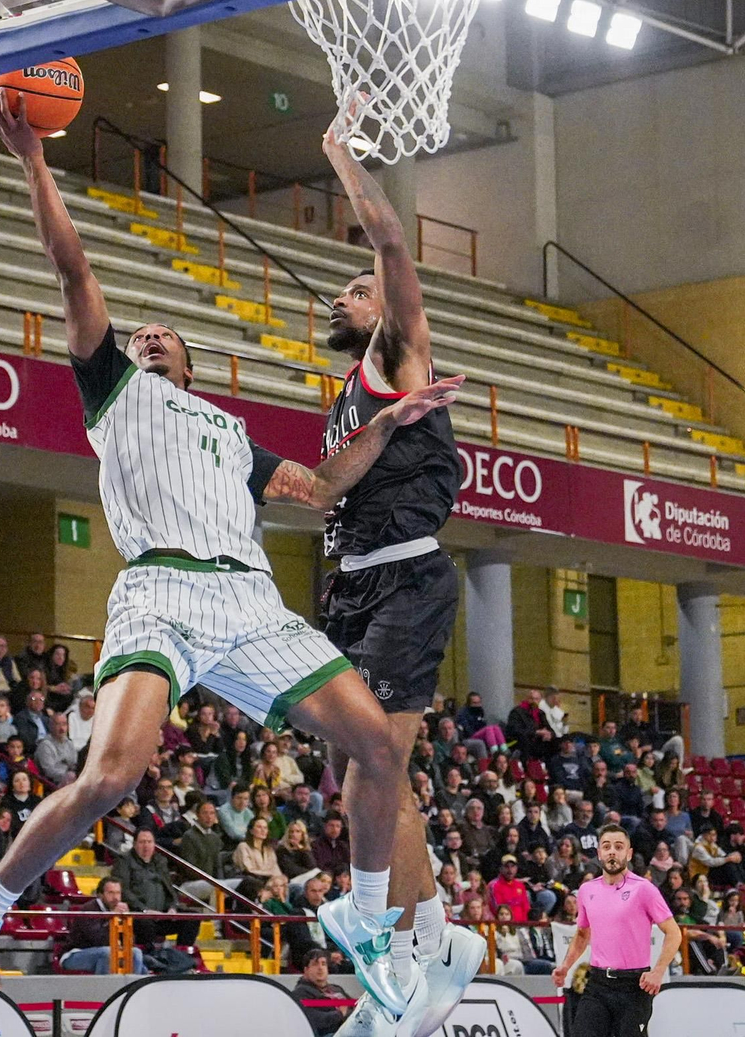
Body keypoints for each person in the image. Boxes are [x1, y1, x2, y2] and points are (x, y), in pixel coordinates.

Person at [0, 82, 460, 1022]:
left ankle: (368, 920)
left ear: (194, 362)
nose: (148, 332)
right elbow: (72, 270)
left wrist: (397, 418)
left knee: (376, 744)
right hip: (161, 591)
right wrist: (34, 160)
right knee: (112, 775)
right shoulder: (113, 391)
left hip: (250, 600)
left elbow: (323, 486)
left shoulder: (226, 431)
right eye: (140, 334)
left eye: (163, 332)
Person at [312, 93, 479, 1035]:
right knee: (367, 776)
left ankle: (412, 955)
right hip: (351, 583)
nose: (342, 295)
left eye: (354, 288)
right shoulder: (347, 396)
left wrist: (340, 152)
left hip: (406, 575)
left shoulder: (401, 353)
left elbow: (391, 245)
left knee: (377, 770)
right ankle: (431, 940)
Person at [551, 826, 682, 1037]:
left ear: (629, 853)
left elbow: (674, 932)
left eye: (619, 847)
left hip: (634, 986)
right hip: (598, 984)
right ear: (599, 853)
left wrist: (657, 972)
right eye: (607, 846)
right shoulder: (587, 890)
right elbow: (583, 933)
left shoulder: (644, 889)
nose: (612, 851)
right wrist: (565, 967)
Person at [59, 877, 148, 975]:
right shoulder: (89, 909)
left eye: (118, 893)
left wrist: (125, 921)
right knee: (108, 953)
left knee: (135, 953)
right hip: (76, 954)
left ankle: (132, 988)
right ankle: (105, 989)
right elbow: (98, 940)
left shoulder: (118, 910)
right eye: (111, 893)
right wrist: (112, 917)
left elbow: (130, 942)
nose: (116, 898)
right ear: (100, 895)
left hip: (108, 950)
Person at [294, 948, 351, 1037]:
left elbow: (354, 1007)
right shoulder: (301, 993)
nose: (320, 968)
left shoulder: (336, 989)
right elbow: (313, 1019)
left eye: (323, 964)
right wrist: (339, 1014)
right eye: (315, 964)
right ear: (306, 970)